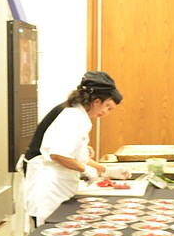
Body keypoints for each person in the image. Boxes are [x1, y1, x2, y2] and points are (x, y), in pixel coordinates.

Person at [21, 71, 123, 226]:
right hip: (50, 189)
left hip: (61, 186)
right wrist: (85, 170)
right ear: (96, 101)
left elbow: (73, 155)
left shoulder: (78, 115)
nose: (106, 113)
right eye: (107, 107)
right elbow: (59, 155)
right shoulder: (71, 117)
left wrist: (104, 170)